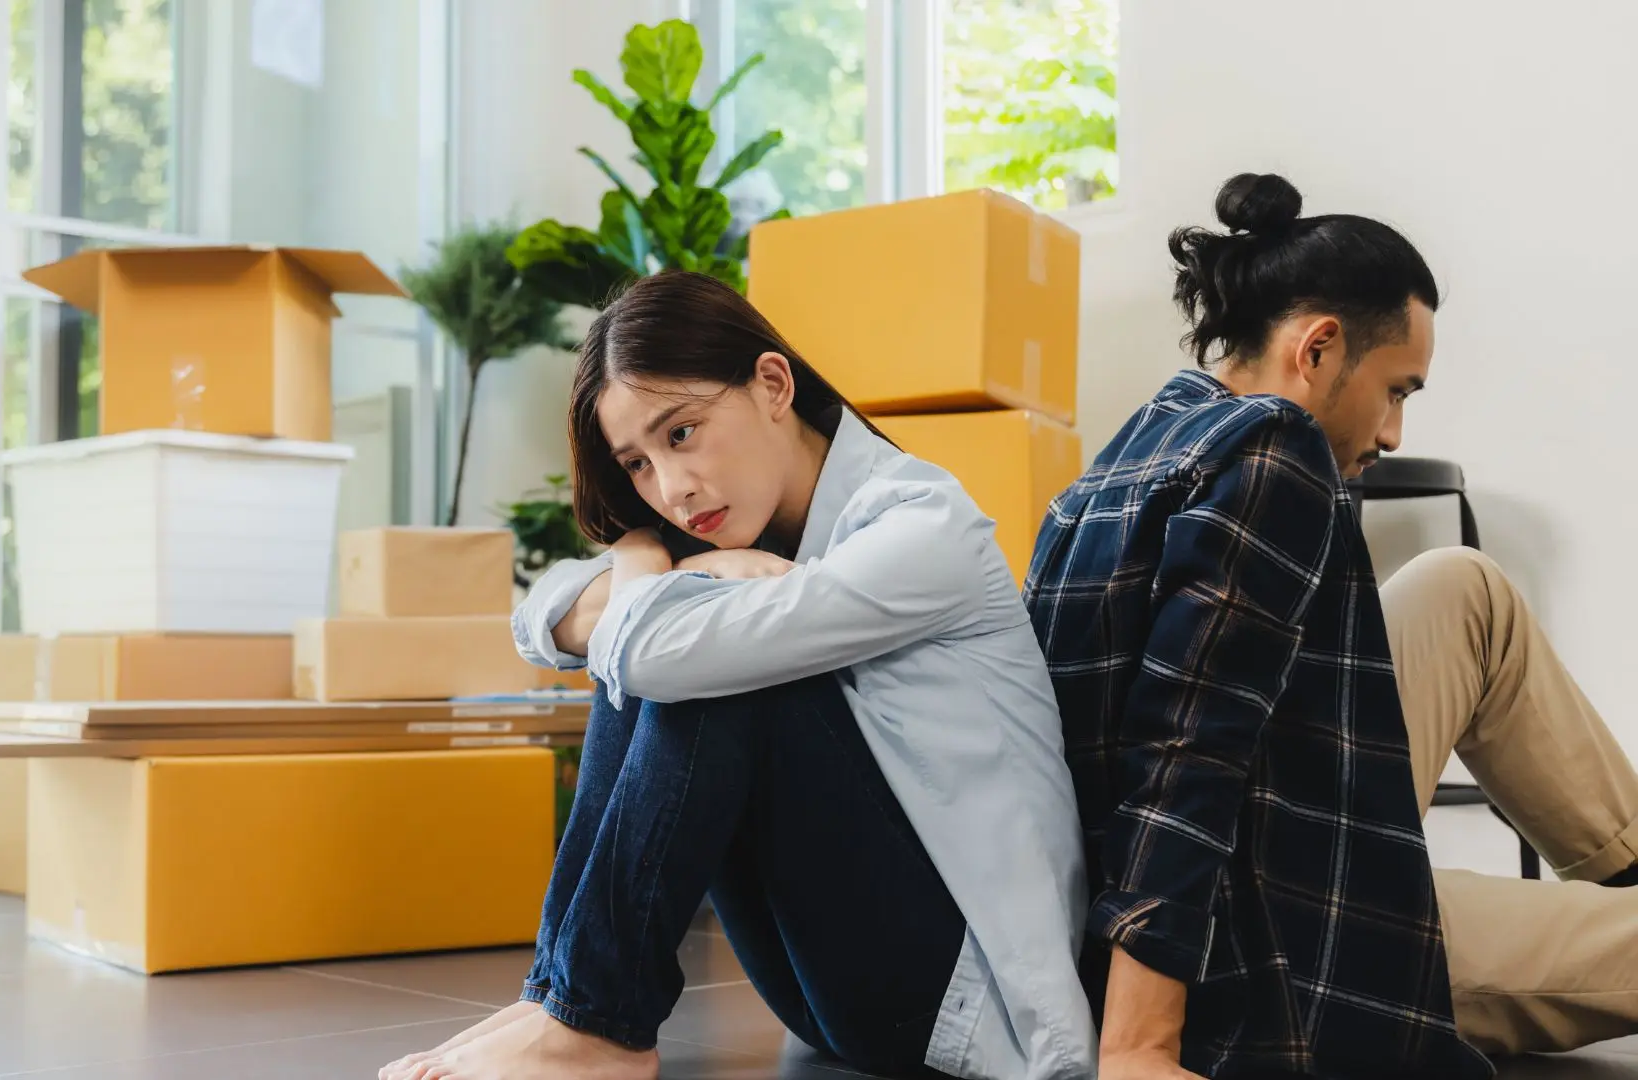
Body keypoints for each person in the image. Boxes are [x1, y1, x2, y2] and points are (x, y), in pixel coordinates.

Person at [379, 270, 1097, 1080]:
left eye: (679, 434)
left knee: (707, 659)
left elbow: (641, 647)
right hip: (820, 988)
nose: (671, 488)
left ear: (771, 383)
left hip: (961, 995)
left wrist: (655, 572)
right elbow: (539, 621)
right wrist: (647, 551)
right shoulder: (734, 538)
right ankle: (562, 1002)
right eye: (638, 465)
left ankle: (597, 1025)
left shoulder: (921, 523)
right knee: (684, 635)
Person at [1025, 171, 1638, 1080]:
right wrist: (1140, 1046)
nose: (1393, 432)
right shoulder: (1276, 447)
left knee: (1461, 587)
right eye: (1398, 390)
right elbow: (1185, 760)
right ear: (1317, 348)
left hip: (1270, 840)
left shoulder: (1146, 439)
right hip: (1274, 947)